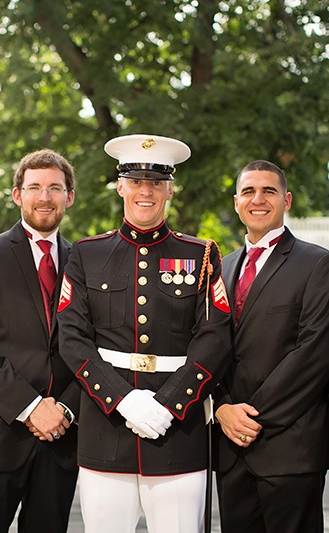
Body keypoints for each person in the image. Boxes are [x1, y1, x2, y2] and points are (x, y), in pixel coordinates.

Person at [58, 134, 233, 533]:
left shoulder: (200, 255)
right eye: (136, 181)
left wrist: (170, 403)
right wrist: (121, 400)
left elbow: (215, 337)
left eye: (155, 183)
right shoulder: (87, 254)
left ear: (169, 189)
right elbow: (72, 337)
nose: (145, 192)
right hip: (107, 430)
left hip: (178, 432)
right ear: (120, 186)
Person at [214, 160, 329, 532]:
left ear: (286, 199)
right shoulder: (220, 268)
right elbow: (207, 347)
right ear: (237, 201)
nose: (258, 199)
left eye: (269, 191)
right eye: (249, 191)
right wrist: (223, 407)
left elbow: (314, 353)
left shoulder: (318, 264)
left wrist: (249, 416)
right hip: (230, 446)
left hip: (290, 447)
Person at [0, 149, 79, 532]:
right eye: (35, 187)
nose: (45, 197)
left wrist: (64, 409)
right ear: (17, 195)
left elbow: (92, 346)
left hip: (59, 436)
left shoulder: (85, 262)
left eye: (55, 188)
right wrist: (29, 406)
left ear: (69, 197)